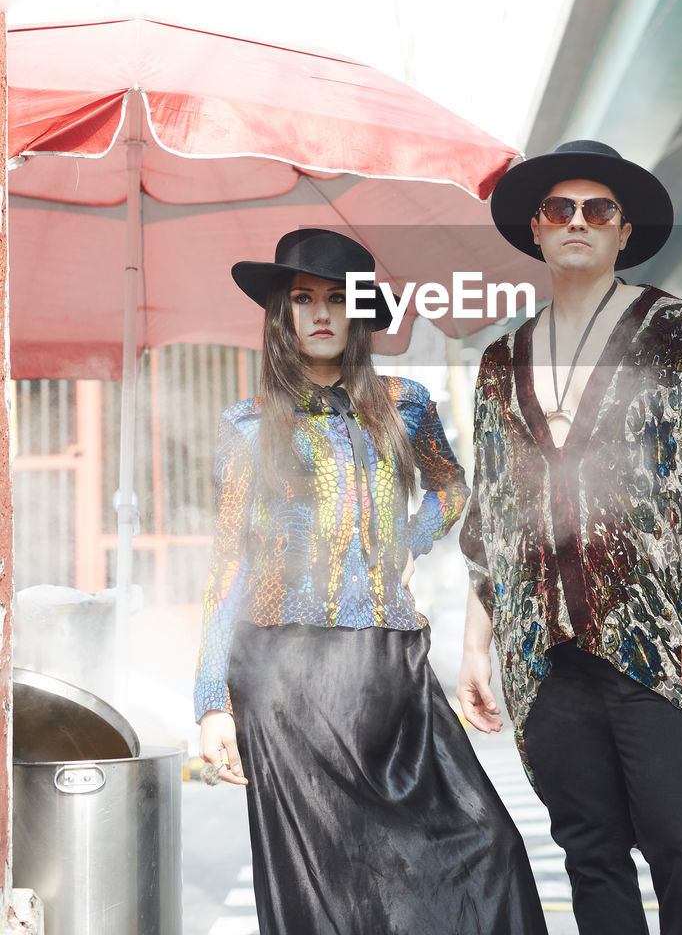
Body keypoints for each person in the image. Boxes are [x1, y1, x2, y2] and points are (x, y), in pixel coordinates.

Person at [194, 228, 547, 935]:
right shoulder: (244, 425)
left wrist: (408, 542)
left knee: (486, 845)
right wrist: (211, 702)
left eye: (337, 298)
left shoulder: (403, 400)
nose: (320, 313)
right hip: (282, 676)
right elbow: (229, 561)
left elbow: (451, 490)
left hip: (391, 663)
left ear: (359, 314)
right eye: (303, 298)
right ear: (281, 314)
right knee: (326, 887)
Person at [457, 141, 682, 935]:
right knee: (589, 855)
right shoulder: (498, 362)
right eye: (561, 209)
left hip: (658, 642)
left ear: (623, 231)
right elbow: (491, 517)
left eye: (598, 210)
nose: (579, 222)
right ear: (537, 229)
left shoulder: (677, 333)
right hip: (542, 651)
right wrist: (474, 648)